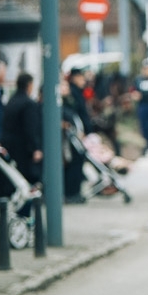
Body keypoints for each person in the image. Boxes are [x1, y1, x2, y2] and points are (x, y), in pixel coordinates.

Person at [1, 72, 43, 184]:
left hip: (10, 145)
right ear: (29, 85)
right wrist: (35, 148)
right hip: (24, 148)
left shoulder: (11, 101)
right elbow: (31, 128)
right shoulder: (29, 104)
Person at [61, 68, 92, 203]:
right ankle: (71, 193)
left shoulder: (72, 97)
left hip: (76, 135)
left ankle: (74, 192)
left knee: (77, 160)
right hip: (70, 138)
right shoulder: (68, 99)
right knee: (74, 161)